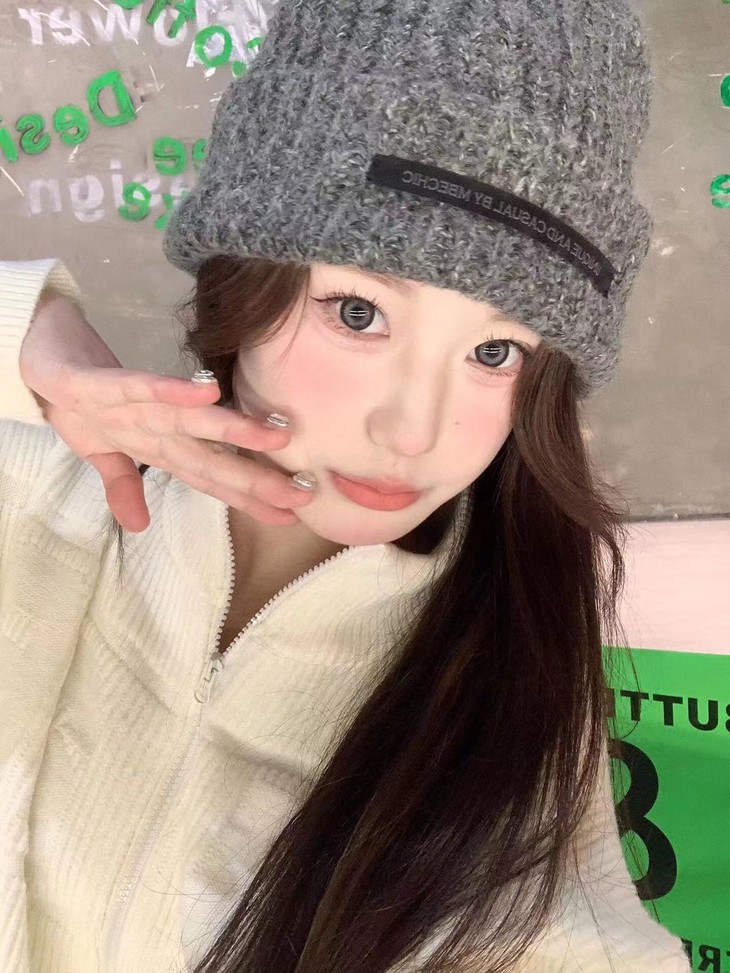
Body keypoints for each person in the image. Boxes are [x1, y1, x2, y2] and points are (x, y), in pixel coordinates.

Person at [0, 0, 692, 971]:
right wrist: (30, 334)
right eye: (359, 312)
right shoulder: (35, 489)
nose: (412, 432)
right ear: (245, 280)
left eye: (495, 351)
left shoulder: (504, 691)